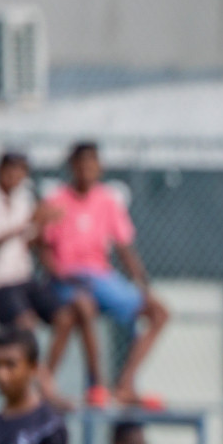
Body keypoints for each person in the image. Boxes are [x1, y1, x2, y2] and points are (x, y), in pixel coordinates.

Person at [41, 141, 169, 409]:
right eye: (82, 163)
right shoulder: (55, 201)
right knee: (82, 306)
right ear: (72, 167)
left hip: (102, 278)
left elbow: (124, 248)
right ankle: (97, 385)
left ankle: (125, 383)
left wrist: (143, 285)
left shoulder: (107, 201)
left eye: (93, 163)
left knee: (159, 312)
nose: (87, 169)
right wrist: (61, 276)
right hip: (69, 278)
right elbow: (45, 251)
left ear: (100, 167)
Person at [0, 151, 87, 409]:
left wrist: (44, 225)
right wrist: (28, 221)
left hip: (21, 277)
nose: (14, 177)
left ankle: (44, 380)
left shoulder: (24, 198)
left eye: (20, 171)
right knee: (26, 324)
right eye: (10, 170)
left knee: (66, 317)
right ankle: (45, 390)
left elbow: (28, 238)